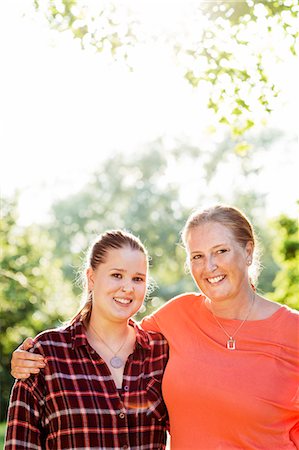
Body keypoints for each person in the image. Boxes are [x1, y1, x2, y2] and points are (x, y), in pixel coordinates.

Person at [10, 205, 299, 449]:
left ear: (248, 251)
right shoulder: (176, 317)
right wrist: (27, 356)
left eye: (221, 250)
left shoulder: (293, 331)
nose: (209, 266)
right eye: (197, 255)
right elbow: (110, 328)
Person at [5, 230, 169, 450]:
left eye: (137, 279)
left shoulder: (161, 352)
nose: (128, 288)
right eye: (117, 275)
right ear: (91, 278)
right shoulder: (46, 355)